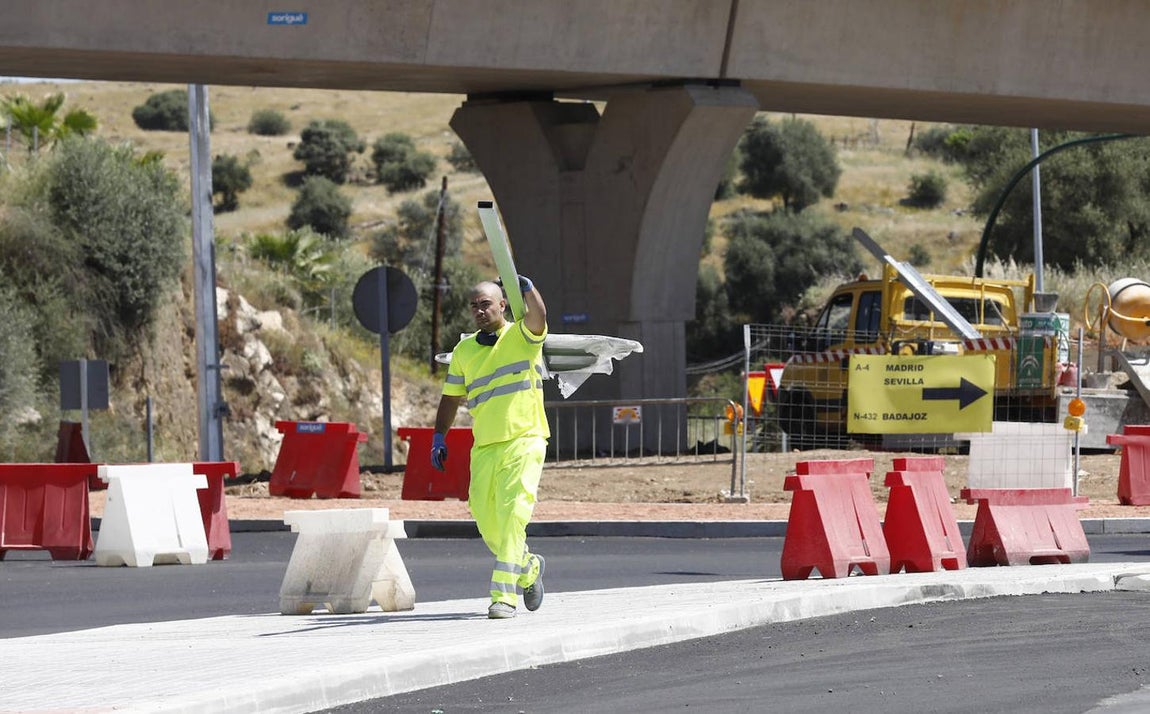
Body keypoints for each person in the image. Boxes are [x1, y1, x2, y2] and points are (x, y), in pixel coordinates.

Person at [431, 275, 549, 619]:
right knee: (486, 520)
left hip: (525, 439)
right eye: (474, 305)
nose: (480, 310)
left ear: (502, 305)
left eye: (486, 303)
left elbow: (539, 317)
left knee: (513, 514)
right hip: (485, 446)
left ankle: (503, 596)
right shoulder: (464, 351)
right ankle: (528, 568)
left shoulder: (521, 336)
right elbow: (451, 398)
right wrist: (439, 436)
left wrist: (527, 288)